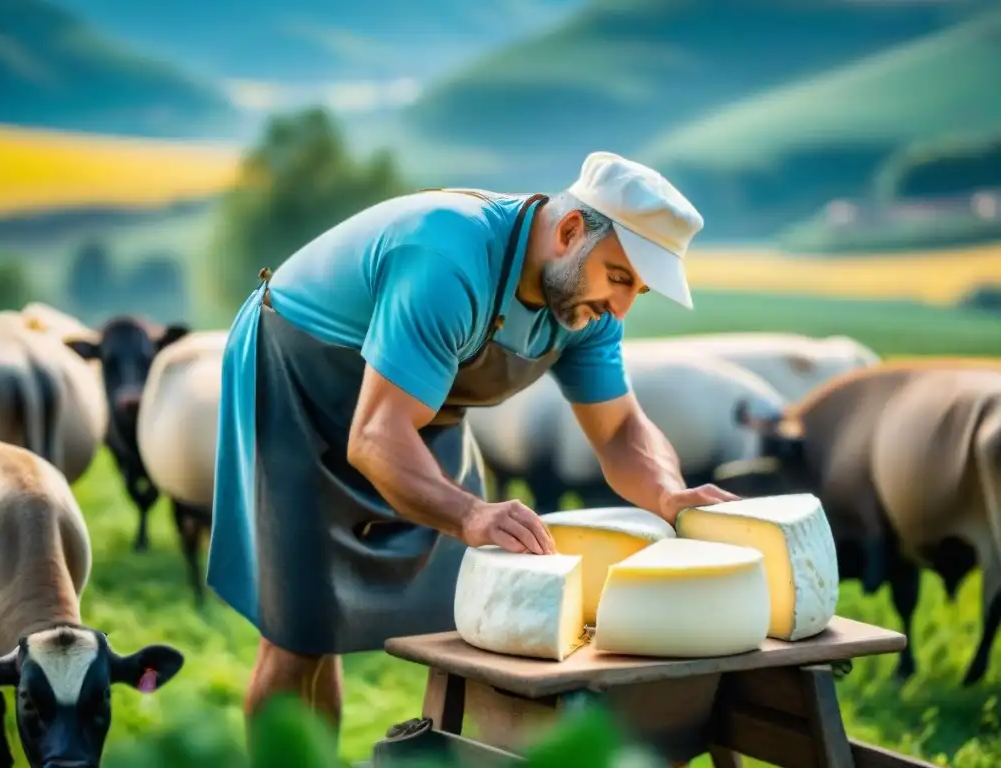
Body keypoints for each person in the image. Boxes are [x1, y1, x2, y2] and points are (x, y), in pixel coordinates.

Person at [205, 150, 740, 740]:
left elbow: (618, 429)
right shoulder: (447, 260)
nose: (621, 307)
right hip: (297, 381)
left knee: (483, 609)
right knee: (298, 631)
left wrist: (668, 493)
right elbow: (377, 435)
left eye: (637, 288)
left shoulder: (587, 307)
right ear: (569, 232)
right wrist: (469, 513)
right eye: (619, 278)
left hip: (411, 408)